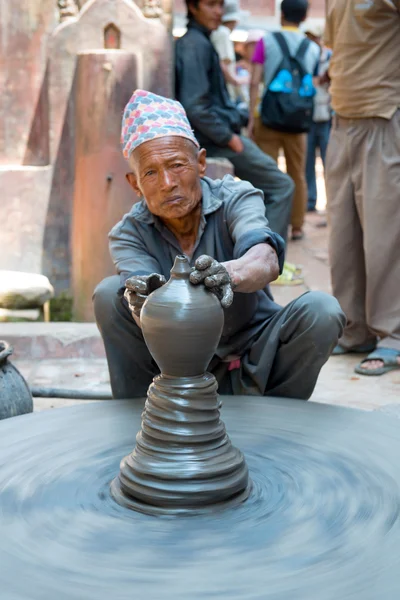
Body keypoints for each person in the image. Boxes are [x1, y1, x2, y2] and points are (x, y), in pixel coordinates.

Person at [93, 90, 345, 400]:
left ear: (200, 163)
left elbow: (264, 258)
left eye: (177, 166)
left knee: (322, 310)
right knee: (108, 295)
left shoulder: (235, 196)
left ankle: (278, 417)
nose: (167, 183)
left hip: (254, 356)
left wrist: (230, 274)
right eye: (150, 173)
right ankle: (142, 416)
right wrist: (142, 302)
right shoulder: (129, 233)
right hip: (175, 368)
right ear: (135, 184)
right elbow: (140, 292)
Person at [175, 0, 294, 245]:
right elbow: (195, 107)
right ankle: (264, 256)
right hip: (214, 139)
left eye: (220, 5)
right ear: (193, 7)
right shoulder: (194, 45)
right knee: (281, 186)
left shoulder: (203, 41)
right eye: (210, 5)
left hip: (220, 132)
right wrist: (229, 138)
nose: (218, 12)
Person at [325, 0, 400, 376]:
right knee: (343, 239)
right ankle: (354, 330)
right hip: (341, 121)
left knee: (385, 239)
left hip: (385, 116)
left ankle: (394, 336)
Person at [248, 0, 320, 241]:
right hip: (298, 121)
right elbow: (313, 82)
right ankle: (297, 226)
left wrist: (250, 117)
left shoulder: (265, 41)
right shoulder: (312, 48)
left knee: (266, 172)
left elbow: (254, 81)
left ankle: (266, 223)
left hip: (268, 118)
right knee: (297, 173)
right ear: (304, 16)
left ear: (281, 15)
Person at [304, 22, 332, 213]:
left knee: (328, 162)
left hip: (326, 116)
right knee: (308, 163)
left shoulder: (329, 58)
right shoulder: (305, 57)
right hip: (308, 117)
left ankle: (331, 203)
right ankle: (310, 201)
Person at [211, 0, 247, 103]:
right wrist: (236, 80)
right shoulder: (223, 33)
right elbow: (223, 64)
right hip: (224, 92)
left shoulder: (217, 32)